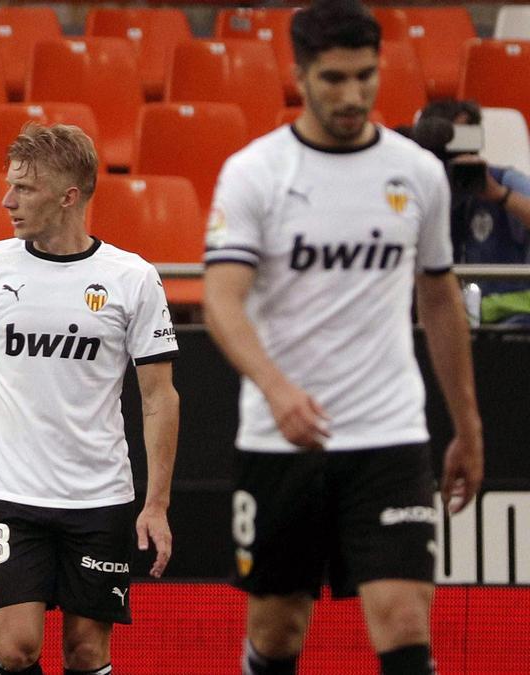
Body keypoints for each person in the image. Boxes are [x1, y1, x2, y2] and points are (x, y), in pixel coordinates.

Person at [201, 2, 484, 674]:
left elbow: (439, 296)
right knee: (278, 632)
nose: (352, 94)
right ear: (298, 74)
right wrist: (277, 390)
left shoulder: (416, 172)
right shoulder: (255, 173)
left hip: (388, 433)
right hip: (281, 441)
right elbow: (220, 300)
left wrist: (467, 425)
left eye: (364, 76)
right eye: (333, 78)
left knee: (405, 616)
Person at [0, 123, 179, 675]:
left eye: (24, 188)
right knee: (16, 648)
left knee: (86, 651)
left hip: (99, 499)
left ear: (69, 196)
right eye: (9, 185)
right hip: (12, 497)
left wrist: (157, 503)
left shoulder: (132, 277)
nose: (7, 200)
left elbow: (160, 397)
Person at [414, 99, 530, 325]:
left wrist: (500, 195)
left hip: (508, 313)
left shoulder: (501, 180)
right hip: (443, 312)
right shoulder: (419, 186)